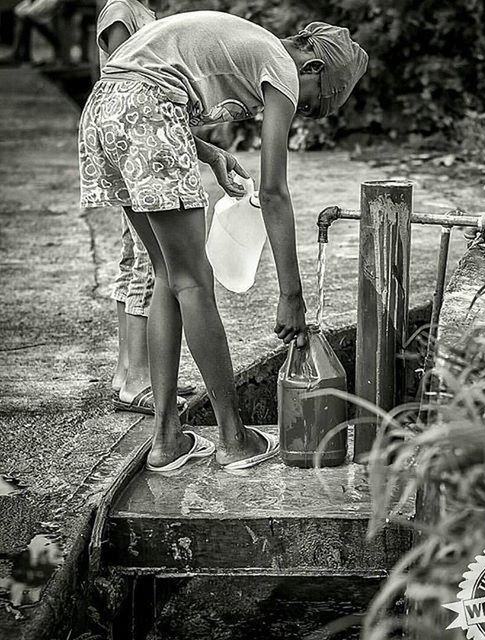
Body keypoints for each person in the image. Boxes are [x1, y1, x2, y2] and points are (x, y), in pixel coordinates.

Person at [78, 11, 368, 472]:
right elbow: (273, 192)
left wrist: (210, 154)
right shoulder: (282, 66)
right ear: (311, 68)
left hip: (102, 114)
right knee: (194, 282)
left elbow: (136, 79)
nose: (302, 113)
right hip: (145, 112)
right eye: (312, 106)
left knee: (168, 277)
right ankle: (234, 440)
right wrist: (291, 296)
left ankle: (167, 439)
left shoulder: (250, 47)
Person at [94, 0, 196, 416]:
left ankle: (128, 371)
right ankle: (138, 377)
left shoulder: (144, 13)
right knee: (147, 266)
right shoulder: (120, 10)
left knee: (132, 257)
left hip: (134, 145)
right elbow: (120, 78)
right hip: (135, 144)